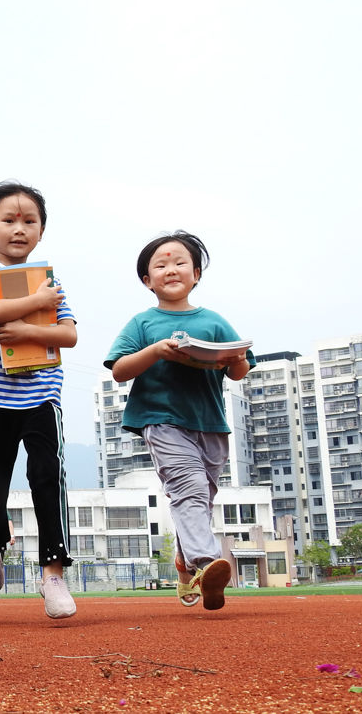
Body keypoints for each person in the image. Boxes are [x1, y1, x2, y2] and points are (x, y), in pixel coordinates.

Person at [103, 230, 254, 611]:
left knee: (201, 498)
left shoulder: (214, 321)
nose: (171, 269)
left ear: (196, 273)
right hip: (161, 420)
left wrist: (236, 361)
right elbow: (120, 370)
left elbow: (239, 370)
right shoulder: (142, 323)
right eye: (161, 264)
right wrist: (155, 351)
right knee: (189, 489)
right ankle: (206, 565)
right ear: (147, 280)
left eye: (180, 262)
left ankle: (186, 561)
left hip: (210, 423)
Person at [0, 182, 79, 619]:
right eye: (8, 220)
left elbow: (69, 335)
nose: (19, 228)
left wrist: (31, 328)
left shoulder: (50, 281)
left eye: (30, 221)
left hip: (42, 393)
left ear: (41, 232)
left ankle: (53, 572)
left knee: (47, 475)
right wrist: (36, 303)